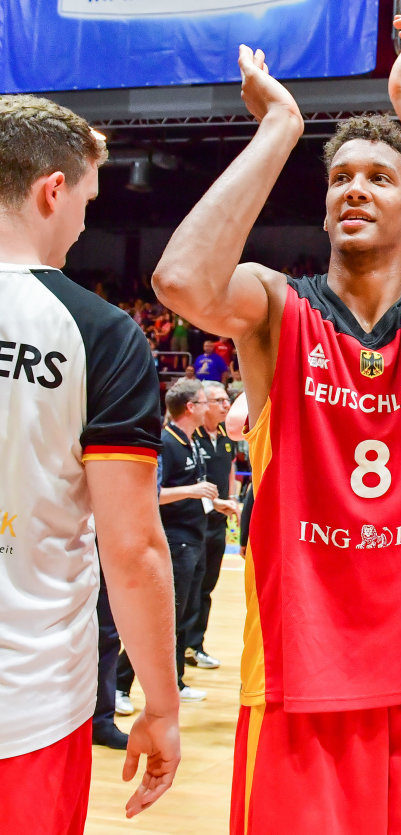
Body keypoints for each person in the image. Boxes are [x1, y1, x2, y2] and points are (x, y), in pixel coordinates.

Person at [150, 18, 401, 834]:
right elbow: (180, 279)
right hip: (302, 670)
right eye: (342, 179)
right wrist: (281, 128)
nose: (355, 187)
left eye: (380, 178)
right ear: (324, 212)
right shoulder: (274, 306)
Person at [0, 93, 180, 829]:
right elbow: (132, 548)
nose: (82, 224)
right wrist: (161, 706)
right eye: (85, 200)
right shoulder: (101, 334)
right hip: (29, 703)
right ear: (52, 189)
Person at [118, 379, 222, 706]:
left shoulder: (191, 440)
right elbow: (152, 494)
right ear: (190, 407)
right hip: (174, 541)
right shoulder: (166, 441)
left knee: (181, 616)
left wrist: (216, 503)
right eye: (206, 401)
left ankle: (175, 681)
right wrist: (193, 491)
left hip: (196, 537)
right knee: (159, 619)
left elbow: (194, 489)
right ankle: (120, 686)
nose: (210, 407)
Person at [186, 380, 241, 671]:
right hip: (192, 522)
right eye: (219, 401)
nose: (226, 406)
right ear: (202, 405)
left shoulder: (226, 435)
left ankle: (196, 645)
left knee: (206, 588)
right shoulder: (189, 436)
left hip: (218, 521)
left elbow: (230, 468)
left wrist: (232, 497)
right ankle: (180, 646)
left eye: (226, 400)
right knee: (188, 590)